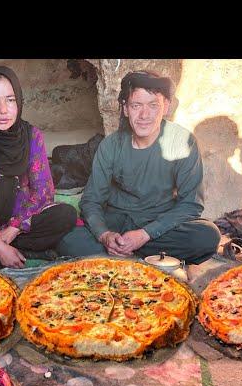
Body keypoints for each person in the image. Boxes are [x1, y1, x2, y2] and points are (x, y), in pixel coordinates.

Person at [57, 70, 220, 264]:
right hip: (117, 222)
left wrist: (144, 235)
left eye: (153, 105)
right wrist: (105, 235)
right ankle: (134, 252)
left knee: (206, 237)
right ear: (125, 108)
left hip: (159, 223)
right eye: (136, 105)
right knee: (66, 239)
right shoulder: (111, 145)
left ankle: (118, 256)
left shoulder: (182, 141)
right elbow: (91, 200)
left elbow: (190, 204)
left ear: (166, 106)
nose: (144, 115)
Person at [0, 65, 77, 268]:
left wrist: (14, 227)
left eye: (10, 100)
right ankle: (7, 249)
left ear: (18, 101)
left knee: (66, 215)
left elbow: (43, 192)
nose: (3, 110)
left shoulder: (32, 136)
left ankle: (9, 245)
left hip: (19, 221)